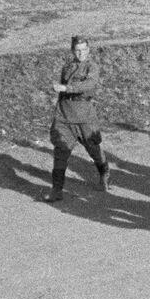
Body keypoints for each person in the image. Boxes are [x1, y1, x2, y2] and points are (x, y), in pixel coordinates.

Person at [42, 35, 110, 202]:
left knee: (93, 149)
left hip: (84, 115)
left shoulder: (92, 67)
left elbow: (89, 85)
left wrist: (67, 87)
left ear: (89, 50)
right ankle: (56, 190)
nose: (81, 54)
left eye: (84, 50)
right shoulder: (67, 67)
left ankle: (104, 173)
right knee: (60, 151)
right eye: (77, 50)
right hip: (64, 114)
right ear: (73, 51)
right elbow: (62, 88)